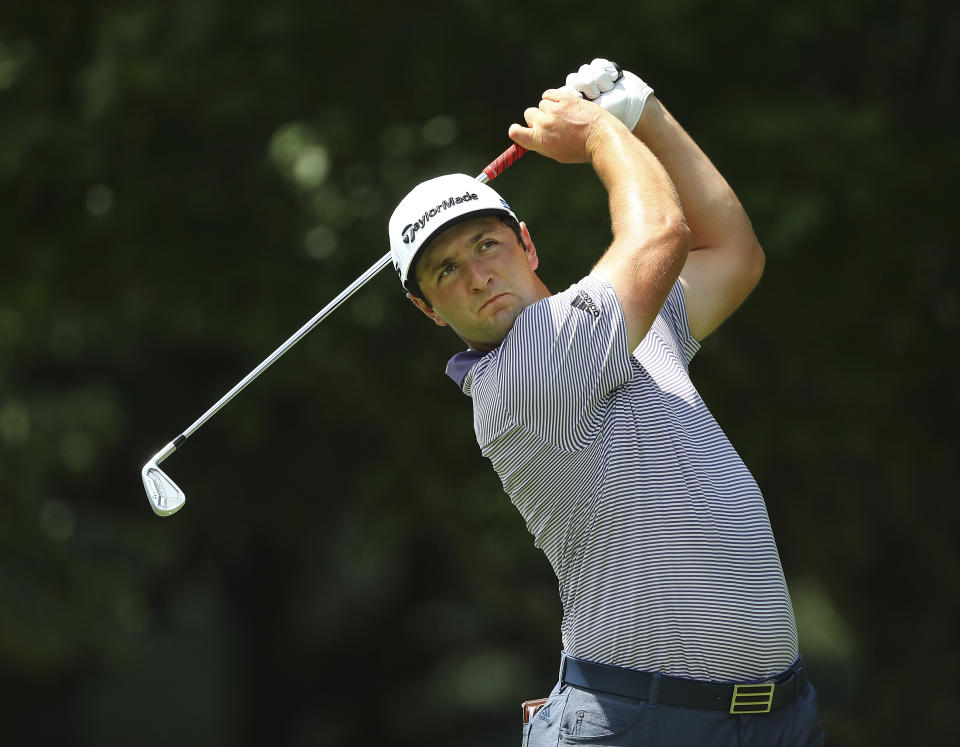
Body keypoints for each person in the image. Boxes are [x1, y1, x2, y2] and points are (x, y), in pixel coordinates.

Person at [388, 59, 824, 746]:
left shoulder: (622, 329)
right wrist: (599, 131)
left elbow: (733, 252)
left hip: (778, 717)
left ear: (525, 243)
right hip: (647, 725)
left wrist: (642, 110)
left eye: (486, 245)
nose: (478, 276)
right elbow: (662, 235)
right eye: (447, 270)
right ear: (428, 309)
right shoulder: (521, 372)